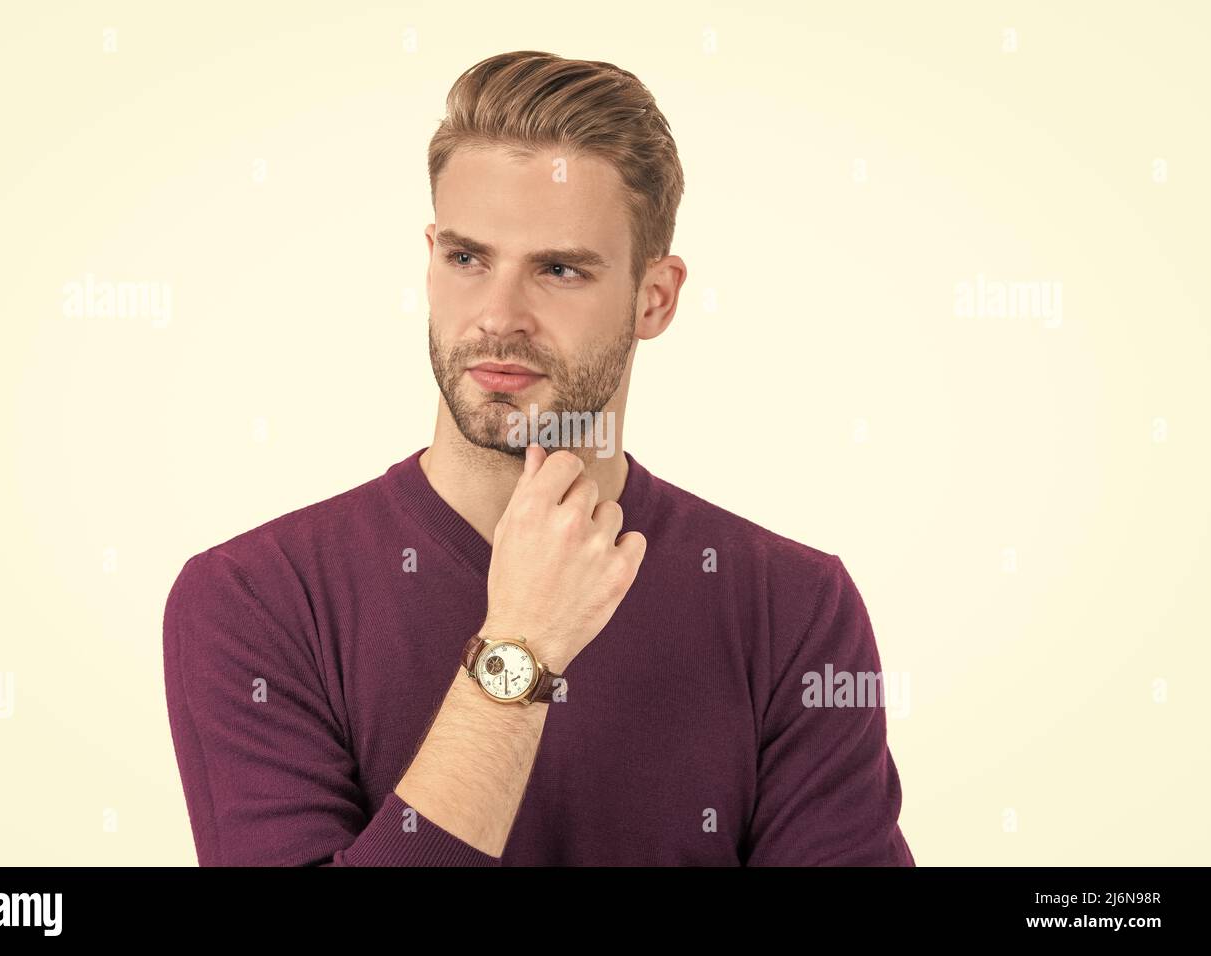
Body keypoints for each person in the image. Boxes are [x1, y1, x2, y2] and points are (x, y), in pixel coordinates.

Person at [162, 50, 914, 866]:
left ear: (654, 298)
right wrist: (520, 645)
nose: (498, 315)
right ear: (430, 259)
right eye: (467, 258)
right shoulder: (253, 599)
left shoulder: (794, 608)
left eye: (558, 270)